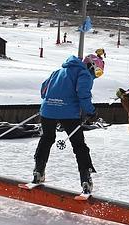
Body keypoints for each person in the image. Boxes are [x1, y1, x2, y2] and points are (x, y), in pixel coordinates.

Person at [31, 52, 103, 194]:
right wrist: (91, 112)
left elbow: (43, 90)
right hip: (69, 112)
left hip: (47, 111)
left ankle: (38, 171)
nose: (97, 75)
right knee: (78, 145)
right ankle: (85, 178)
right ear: (91, 65)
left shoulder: (58, 71)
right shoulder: (84, 74)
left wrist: (53, 100)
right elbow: (83, 94)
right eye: (98, 71)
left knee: (47, 139)